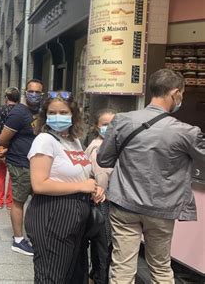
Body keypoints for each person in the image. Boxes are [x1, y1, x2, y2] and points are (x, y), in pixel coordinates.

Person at [97, 68, 205, 284]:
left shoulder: (122, 120)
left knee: (122, 267)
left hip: (124, 205)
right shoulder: (186, 131)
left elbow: (103, 160)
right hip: (161, 209)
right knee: (161, 268)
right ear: (175, 93)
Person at [25, 91, 103, 283]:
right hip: (53, 215)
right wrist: (81, 186)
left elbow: (81, 174)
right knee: (52, 277)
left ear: (73, 115)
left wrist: (94, 187)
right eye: (52, 112)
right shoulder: (44, 141)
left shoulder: (73, 141)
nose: (57, 117)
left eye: (63, 112)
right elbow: (39, 184)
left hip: (75, 218)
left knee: (73, 276)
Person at [0, 79, 44, 256]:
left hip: (37, 164)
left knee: (37, 200)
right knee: (19, 200)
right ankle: (18, 240)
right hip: (20, 163)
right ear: (26, 93)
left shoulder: (41, 112)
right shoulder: (19, 112)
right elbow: (3, 139)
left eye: (37, 92)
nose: (34, 94)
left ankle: (33, 234)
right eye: (31, 91)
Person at [84, 108, 116, 284]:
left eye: (113, 124)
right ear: (97, 126)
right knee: (103, 249)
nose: (109, 128)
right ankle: (98, 279)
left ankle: (94, 277)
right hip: (102, 203)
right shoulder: (99, 147)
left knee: (101, 249)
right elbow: (102, 178)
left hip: (100, 202)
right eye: (105, 124)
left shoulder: (107, 145)